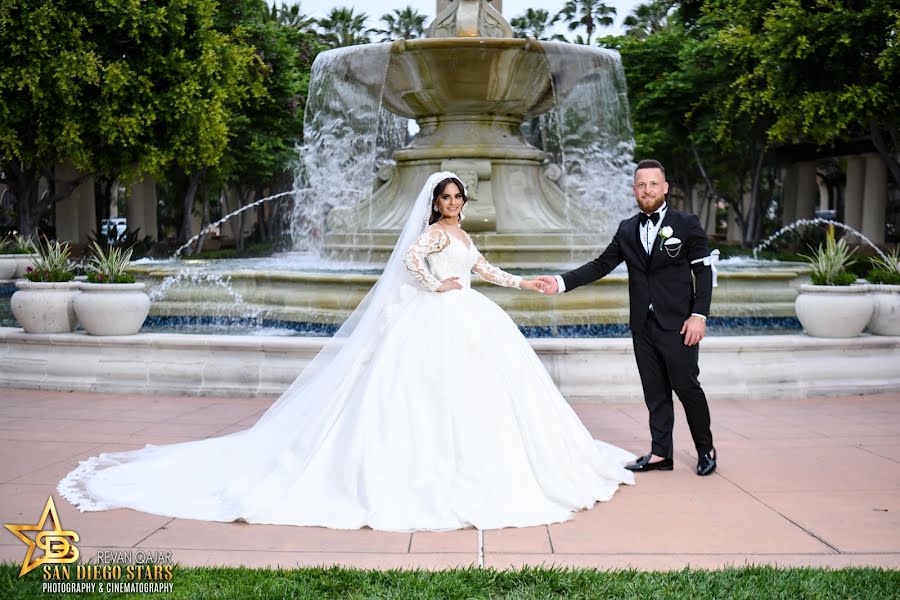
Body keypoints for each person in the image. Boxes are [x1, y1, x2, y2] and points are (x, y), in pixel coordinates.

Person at [58, 171, 636, 532]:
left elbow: (484, 269)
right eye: (446, 196)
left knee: (480, 395)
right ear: (435, 202)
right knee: (419, 396)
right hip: (437, 318)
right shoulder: (430, 234)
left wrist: (526, 284)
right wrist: (440, 286)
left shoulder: (460, 236)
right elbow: (414, 266)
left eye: (458, 196)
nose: (453, 203)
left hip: (470, 318)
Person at [538, 159, 718, 476]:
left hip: (679, 324)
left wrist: (698, 315)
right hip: (643, 326)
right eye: (641, 185)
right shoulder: (627, 229)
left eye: (653, 184)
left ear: (665, 187)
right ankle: (661, 453)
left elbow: (703, 272)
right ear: (634, 190)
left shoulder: (686, 224)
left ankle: (706, 449)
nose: (647, 190)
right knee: (655, 391)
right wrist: (561, 282)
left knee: (687, 387)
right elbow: (600, 265)